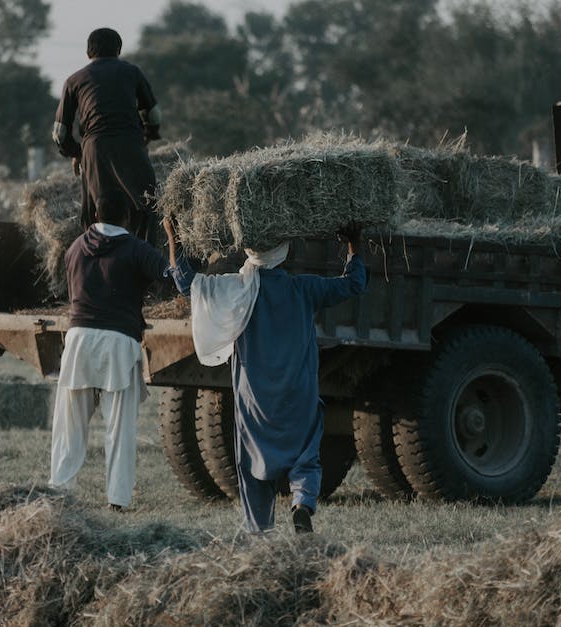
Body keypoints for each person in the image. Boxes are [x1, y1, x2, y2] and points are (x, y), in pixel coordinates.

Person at [164, 218, 368, 533]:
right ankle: (302, 502)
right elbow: (353, 283)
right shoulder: (303, 288)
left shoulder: (236, 290)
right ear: (283, 252)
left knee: (252, 462)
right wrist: (353, 244)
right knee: (305, 454)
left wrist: (174, 238)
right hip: (298, 391)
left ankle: (259, 528)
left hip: (253, 395)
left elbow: (185, 281)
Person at [48, 190, 172, 511]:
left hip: (78, 339)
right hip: (118, 341)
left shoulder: (74, 248)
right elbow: (171, 277)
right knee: (120, 427)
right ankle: (117, 500)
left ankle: (60, 492)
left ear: (95, 216)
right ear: (128, 218)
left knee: (69, 425)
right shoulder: (136, 249)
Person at [52, 27, 162, 242]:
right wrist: (147, 136)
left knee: (95, 211)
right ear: (118, 50)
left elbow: (59, 133)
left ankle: (98, 261)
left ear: (88, 52)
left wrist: (77, 152)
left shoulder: (74, 81)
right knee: (147, 204)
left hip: (95, 148)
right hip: (130, 143)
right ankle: (144, 261)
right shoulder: (132, 72)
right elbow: (154, 114)